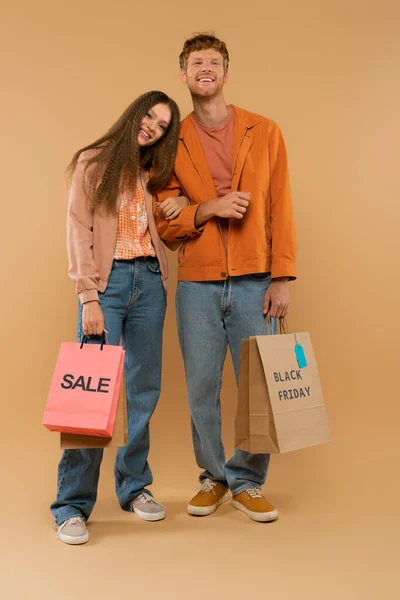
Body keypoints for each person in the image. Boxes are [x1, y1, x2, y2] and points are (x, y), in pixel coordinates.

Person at [155, 34, 296, 523]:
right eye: (197, 62)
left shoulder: (266, 130)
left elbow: (281, 205)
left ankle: (249, 480)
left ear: (226, 73)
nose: (206, 68)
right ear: (184, 75)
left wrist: (283, 277)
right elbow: (165, 221)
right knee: (200, 386)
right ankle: (215, 477)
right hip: (197, 280)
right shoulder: (172, 142)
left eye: (214, 62)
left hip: (258, 277)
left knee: (258, 387)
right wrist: (207, 209)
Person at [52, 91, 187, 545]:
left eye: (163, 125)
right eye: (149, 116)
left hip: (150, 282)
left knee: (143, 387)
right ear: (135, 113)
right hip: (105, 286)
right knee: (90, 394)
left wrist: (180, 203)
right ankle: (71, 505)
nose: (153, 126)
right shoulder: (94, 162)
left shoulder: (157, 173)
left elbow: (173, 224)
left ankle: (133, 486)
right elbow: (79, 228)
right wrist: (88, 296)